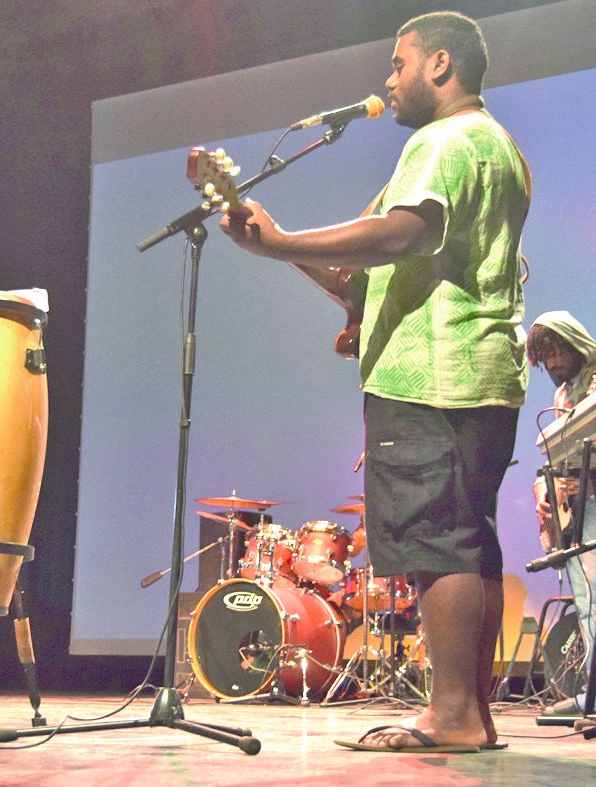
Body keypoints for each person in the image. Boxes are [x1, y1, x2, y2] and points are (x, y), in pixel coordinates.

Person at [221, 11, 529, 752]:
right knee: (466, 541)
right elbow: (371, 273)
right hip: (477, 373)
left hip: (433, 375)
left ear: (440, 66)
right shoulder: (497, 147)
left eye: (397, 64)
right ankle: (468, 712)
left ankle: (451, 715)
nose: (386, 82)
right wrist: (280, 248)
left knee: (439, 544)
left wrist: (282, 241)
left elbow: (402, 232)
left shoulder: (444, 139)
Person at [526, 311, 596, 717]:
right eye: (545, 358)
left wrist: (595, 470)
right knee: (587, 599)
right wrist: (545, 488)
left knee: (595, 597)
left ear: (576, 342)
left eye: (556, 352)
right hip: (575, 507)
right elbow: (556, 459)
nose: (553, 365)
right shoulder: (562, 396)